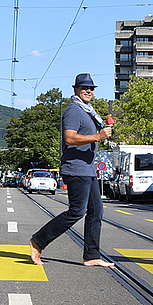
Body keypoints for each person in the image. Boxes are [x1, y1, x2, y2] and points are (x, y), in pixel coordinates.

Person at [30, 73, 114, 268]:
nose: (88, 91)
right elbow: (69, 138)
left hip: (89, 169)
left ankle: (92, 255)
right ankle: (38, 241)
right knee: (77, 211)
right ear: (75, 89)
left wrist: (100, 136)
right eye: (84, 88)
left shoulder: (89, 112)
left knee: (96, 212)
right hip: (76, 169)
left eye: (91, 88)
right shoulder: (74, 110)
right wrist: (97, 136)